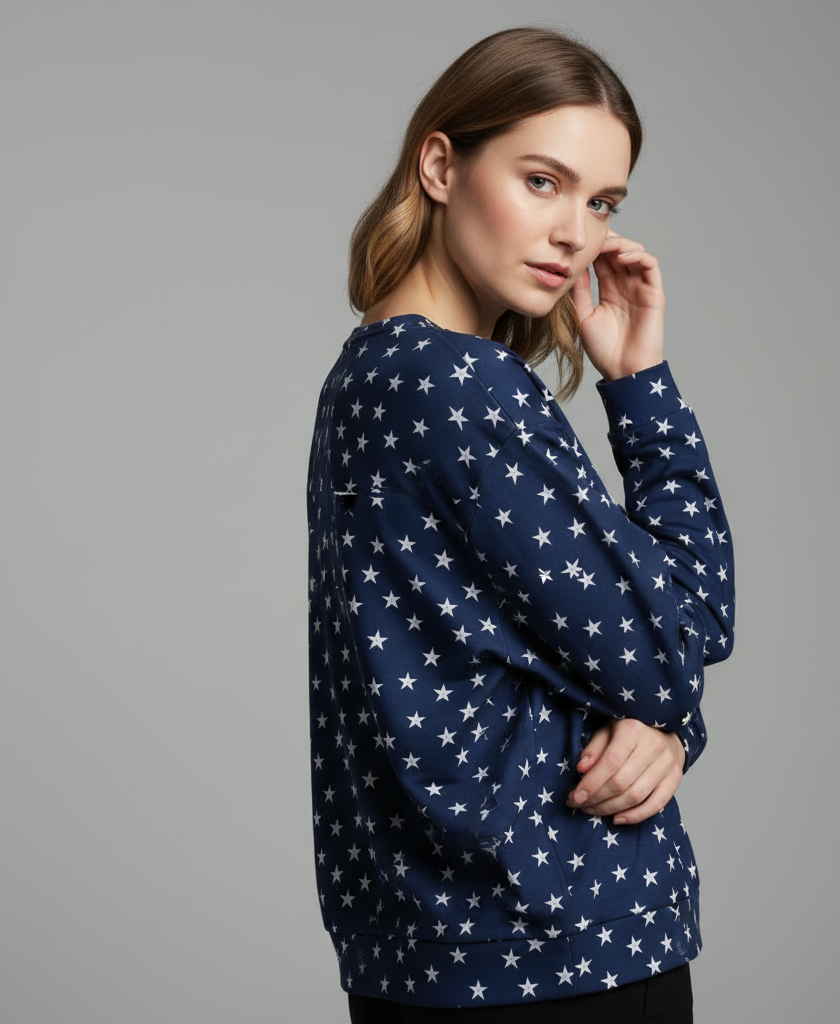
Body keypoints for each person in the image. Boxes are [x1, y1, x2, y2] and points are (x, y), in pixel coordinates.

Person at [306, 26, 734, 1022]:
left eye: (602, 203)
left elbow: (619, 648)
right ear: (442, 164)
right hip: (559, 945)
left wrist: (662, 712)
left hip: (420, 950)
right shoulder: (463, 386)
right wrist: (640, 387)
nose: (575, 234)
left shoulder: (366, 374)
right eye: (542, 181)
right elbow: (682, 639)